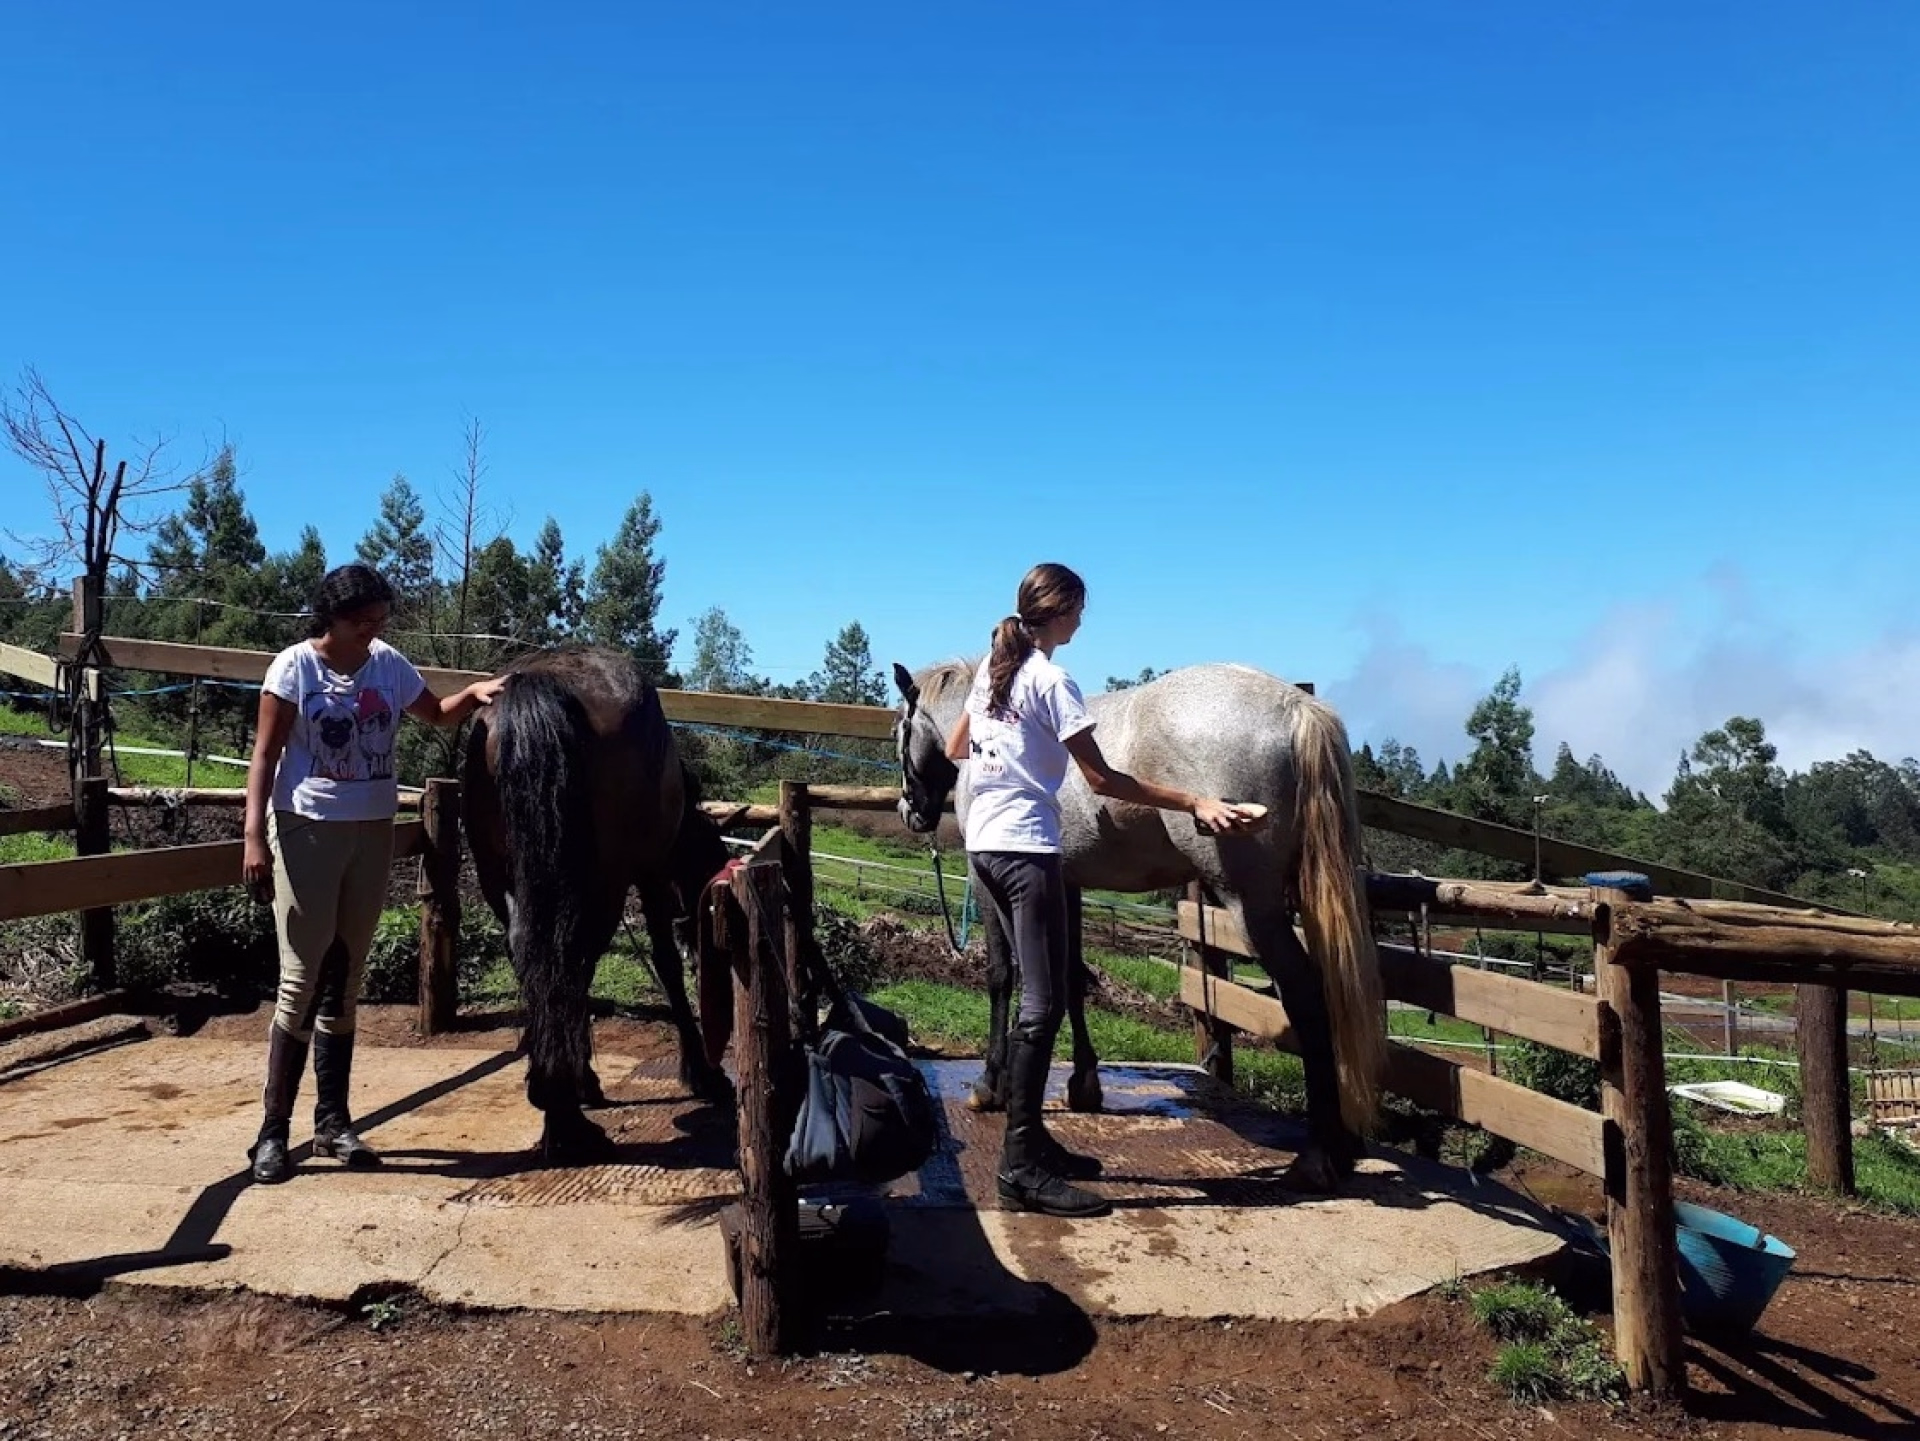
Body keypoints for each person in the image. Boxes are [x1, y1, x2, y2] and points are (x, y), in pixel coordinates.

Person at [947, 562, 1262, 1218]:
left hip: (986, 846)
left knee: (1041, 997)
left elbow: (956, 747)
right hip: (1028, 850)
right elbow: (1102, 781)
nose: (1082, 621)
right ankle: (1020, 1167)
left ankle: (1034, 1142)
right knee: (1041, 1006)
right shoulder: (1051, 680)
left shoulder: (993, 671)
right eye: (1079, 609)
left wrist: (1007, 756)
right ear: (1061, 610)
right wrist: (1196, 801)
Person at [241, 563, 508, 1184]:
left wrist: (472, 695)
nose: (373, 630)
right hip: (306, 827)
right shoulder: (294, 668)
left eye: (380, 620)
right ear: (332, 618)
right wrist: (254, 836)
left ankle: (333, 1123)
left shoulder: (387, 664)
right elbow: (265, 755)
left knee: (346, 975)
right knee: (301, 977)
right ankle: (272, 1133)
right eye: (363, 621)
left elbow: (435, 713)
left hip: (372, 829)